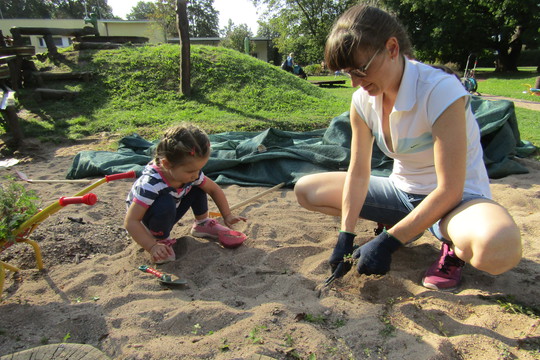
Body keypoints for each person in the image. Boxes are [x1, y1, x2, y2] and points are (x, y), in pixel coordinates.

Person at [294, 4, 521, 291]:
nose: (354, 82)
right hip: (401, 193)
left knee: (499, 247)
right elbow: (359, 171)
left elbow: (449, 189)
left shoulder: (440, 90)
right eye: (346, 72)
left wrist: (387, 244)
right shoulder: (362, 101)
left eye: (360, 70)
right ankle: (402, 226)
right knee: (306, 190)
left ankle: (448, 244)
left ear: (391, 48)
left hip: (456, 202)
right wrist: (346, 236)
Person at [124, 123, 246, 264]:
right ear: (167, 164)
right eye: (190, 171)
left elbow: (213, 189)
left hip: (170, 211)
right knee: (165, 202)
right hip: (146, 224)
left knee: (199, 185)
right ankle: (160, 240)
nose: (196, 174)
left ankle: (201, 223)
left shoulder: (189, 174)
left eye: (199, 169)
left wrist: (227, 215)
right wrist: (152, 246)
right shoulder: (150, 184)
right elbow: (131, 221)